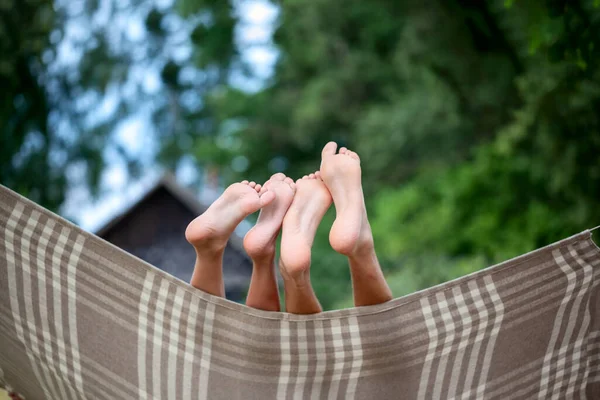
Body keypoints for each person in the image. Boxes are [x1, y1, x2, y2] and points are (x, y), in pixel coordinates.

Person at [185, 142, 392, 314]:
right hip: (367, 360)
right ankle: (358, 246)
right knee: (379, 338)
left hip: (228, 361)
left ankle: (213, 253)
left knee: (234, 341)